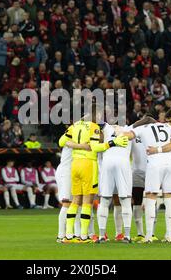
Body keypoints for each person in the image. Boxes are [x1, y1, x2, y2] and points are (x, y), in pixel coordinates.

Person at [62, 104, 128, 244]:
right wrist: (112, 142)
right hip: (88, 165)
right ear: (97, 115)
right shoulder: (94, 127)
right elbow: (95, 147)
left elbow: (61, 141)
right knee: (87, 202)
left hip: (75, 164)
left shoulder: (75, 125)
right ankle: (84, 236)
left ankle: (68, 235)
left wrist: (77, 145)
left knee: (75, 201)